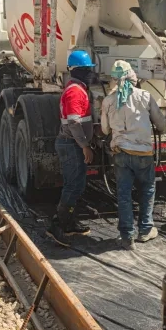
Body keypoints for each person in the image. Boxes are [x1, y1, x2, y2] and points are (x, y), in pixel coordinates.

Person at [101, 61, 166, 250]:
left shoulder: (108, 101)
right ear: (133, 77)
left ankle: (126, 237)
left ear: (113, 80)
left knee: (123, 194)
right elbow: (162, 125)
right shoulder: (145, 96)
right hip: (143, 154)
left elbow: (105, 129)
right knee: (147, 190)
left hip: (121, 153)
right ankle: (146, 230)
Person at [47, 50, 96, 246]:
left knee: (76, 184)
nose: (91, 74)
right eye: (88, 70)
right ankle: (58, 226)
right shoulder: (76, 91)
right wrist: (85, 146)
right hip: (71, 145)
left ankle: (69, 222)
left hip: (71, 144)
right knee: (73, 185)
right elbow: (74, 123)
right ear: (81, 71)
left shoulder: (76, 88)